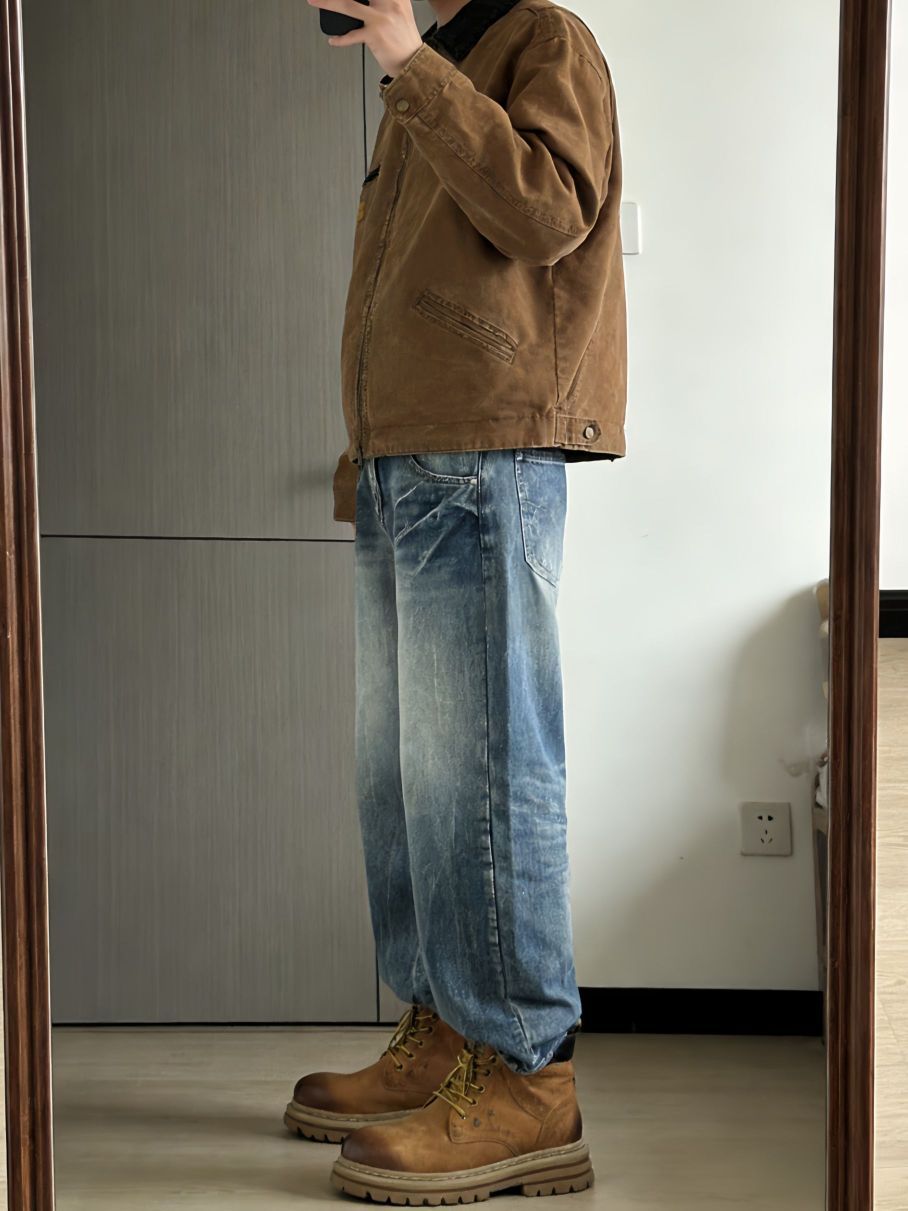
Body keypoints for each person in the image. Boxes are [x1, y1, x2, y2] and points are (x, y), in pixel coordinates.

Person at [286, 0, 627, 1199]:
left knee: (484, 766)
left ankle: (527, 1073)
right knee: (405, 773)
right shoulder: (440, 62)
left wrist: (404, 59)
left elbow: (545, 214)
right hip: (404, 454)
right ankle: (442, 1028)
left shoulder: (541, 39)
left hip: (482, 452)